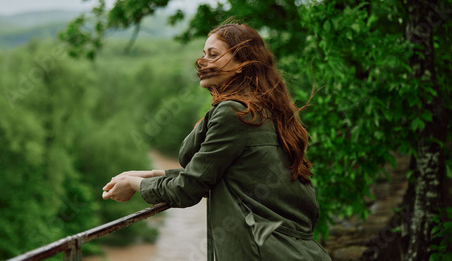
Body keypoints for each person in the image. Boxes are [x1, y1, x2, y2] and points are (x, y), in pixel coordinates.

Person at [102, 20, 331, 261]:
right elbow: (219, 171)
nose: (202, 63)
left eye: (213, 55)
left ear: (241, 64)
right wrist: (150, 174)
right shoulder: (267, 110)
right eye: (203, 54)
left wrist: (136, 185)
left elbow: (188, 189)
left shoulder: (234, 112)